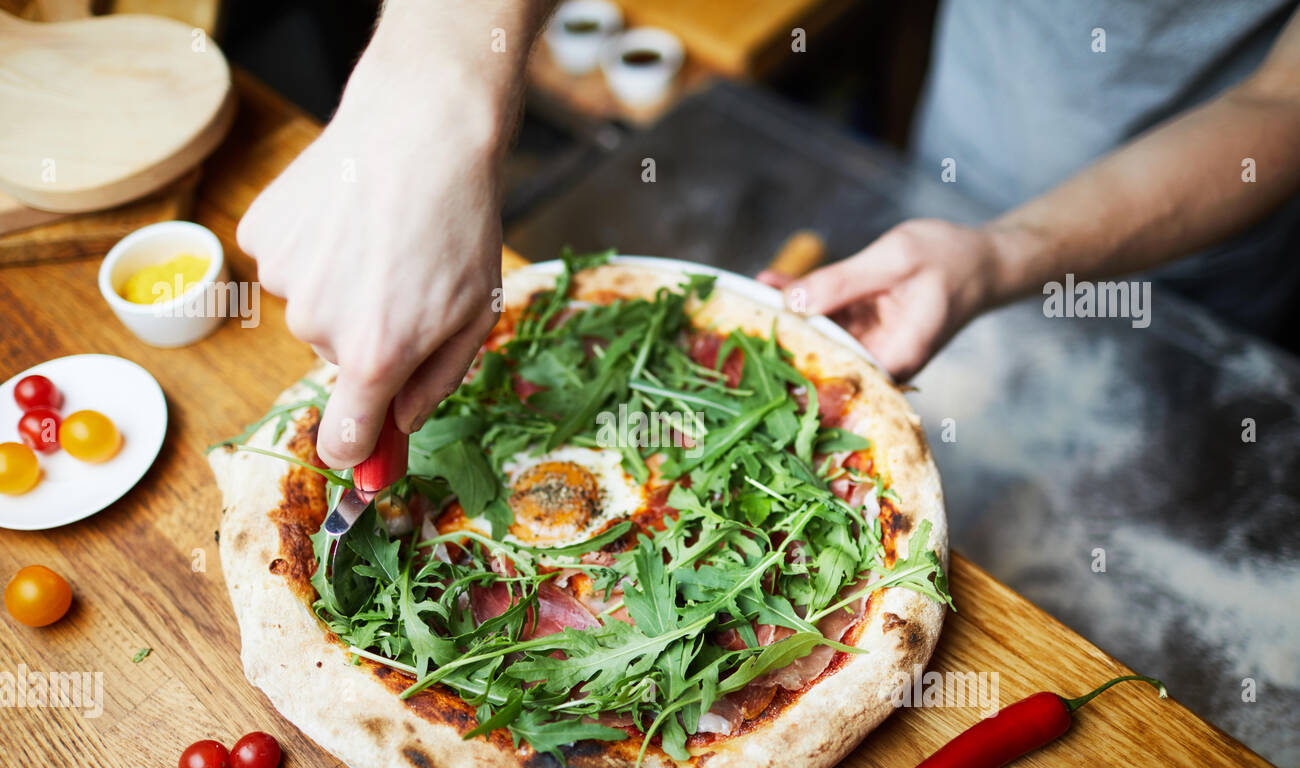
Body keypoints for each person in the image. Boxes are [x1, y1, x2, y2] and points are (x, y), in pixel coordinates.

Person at [238, 0, 1300, 467]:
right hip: (946, 162)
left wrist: (1006, 253)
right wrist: (435, 85)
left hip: (1205, 259)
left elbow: (1280, 109)